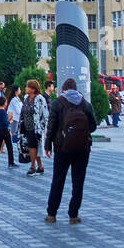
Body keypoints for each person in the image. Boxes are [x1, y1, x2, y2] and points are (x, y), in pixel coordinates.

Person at [44, 78, 97, 223]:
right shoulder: (85, 104)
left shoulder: (57, 103)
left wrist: (48, 144)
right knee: (78, 181)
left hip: (62, 148)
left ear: (64, 90)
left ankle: (52, 214)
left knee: (58, 180)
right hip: (82, 148)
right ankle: (73, 215)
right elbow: (93, 125)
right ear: (75, 89)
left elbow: (51, 126)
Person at [21, 79, 50, 176]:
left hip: (36, 127)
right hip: (26, 126)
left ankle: (33, 167)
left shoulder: (40, 98)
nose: (25, 88)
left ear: (33, 89)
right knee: (33, 147)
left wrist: (44, 127)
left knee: (33, 146)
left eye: (27, 87)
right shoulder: (26, 98)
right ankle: (40, 167)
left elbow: (45, 114)